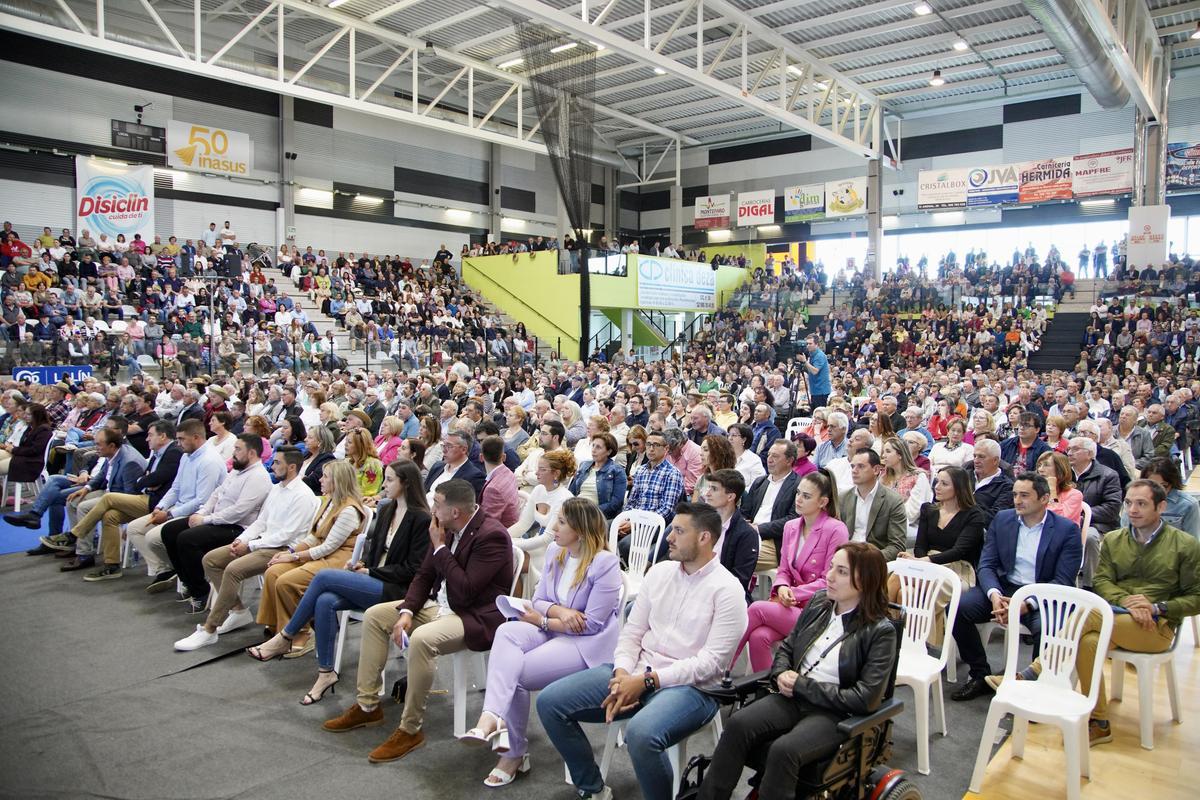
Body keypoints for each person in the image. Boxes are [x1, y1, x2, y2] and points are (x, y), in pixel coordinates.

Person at [536, 502, 748, 800]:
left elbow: (710, 665)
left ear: (704, 538)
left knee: (641, 733)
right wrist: (623, 673)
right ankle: (593, 788)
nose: (669, 538)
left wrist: (647, 682)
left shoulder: (728, 590)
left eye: (678, 531)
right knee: (549, 702)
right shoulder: (660, 573)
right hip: (635, 670)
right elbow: (631, 633)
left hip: (692, 689)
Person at [321, 479, 512, 764]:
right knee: (376, 616)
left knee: (422, 640)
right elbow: (423, 576)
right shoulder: (444, 527)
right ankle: (367, 704)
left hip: (473, 614)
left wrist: (440, 548)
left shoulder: (491, 535)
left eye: (437, 503)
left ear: (455, 512)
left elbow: (466, 589)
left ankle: (410, 729)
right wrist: (408, 611)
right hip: (440, 604)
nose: (432, 507)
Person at [999, 479, 1200, 745]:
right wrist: (1129, 602)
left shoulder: (1184, 545)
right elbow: (1103, 583)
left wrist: (1156, 607)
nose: (1133, 510)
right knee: (1088, 640)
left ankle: (1034, 670)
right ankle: (1100, 720)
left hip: (1156, 626)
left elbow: (1195, 597)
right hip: (1118, 616)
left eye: (1141, 504)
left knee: (1089, 614)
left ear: (1161, 506)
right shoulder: (1116, 539)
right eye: (1129, 503)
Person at [697, 543, 898, 800]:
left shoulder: (880, 631)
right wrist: (780, 673)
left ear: (866, 580)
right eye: (832, 567)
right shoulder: (819, 603)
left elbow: (865, 697)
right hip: (793, 697)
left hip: (833, 712)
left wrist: (802, 685)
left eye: (842, 571)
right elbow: (787, 649)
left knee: (784, 750)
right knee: (738, 724)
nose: (830, 576)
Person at [459, 497, 622, 787]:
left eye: (561, 522)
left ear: (581, 531)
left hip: (586, 644)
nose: (552, 527)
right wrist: (560, 613)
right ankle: (491, 715)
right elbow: (540, 600)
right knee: (506, 632)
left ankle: (513, 753)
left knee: (516, 674)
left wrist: (544, 621)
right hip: (554, 627)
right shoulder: (555, 552)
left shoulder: (605, 563)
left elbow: (591, 625)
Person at [247, 461, 431, 703]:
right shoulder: (387, 510)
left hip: (397, 589)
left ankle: (286, 636)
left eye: (389, 480)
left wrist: (370, 572)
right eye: (385, 478)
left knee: (323, 577)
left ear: (406, 483)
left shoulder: (421, 518)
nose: (383, 485)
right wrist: (361, 565)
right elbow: (373, 551)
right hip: (375, 577)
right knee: (324, 600)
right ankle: (326, 673)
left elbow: (413, 570)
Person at [949, 472, 1082, 701]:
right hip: (1004, 588)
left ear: (1044, 499)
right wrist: (994, 594)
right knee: (957, 609)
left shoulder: (1066, 530)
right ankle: (980, 674)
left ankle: (1036, 688)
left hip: (1041, 594)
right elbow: (987, 563)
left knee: (1049, 628)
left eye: (1024, 495)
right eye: (1014, 495)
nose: (1017, 500)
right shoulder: (1003, 519)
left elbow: (1063, 580)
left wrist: (1027, 604)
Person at [173, 447, 321, 650]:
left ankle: (209, 629)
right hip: (262, 541)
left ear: (292, 467)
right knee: (211, 560)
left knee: (233, 570)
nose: (273, 466)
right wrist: (242, 540)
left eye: (277, 463)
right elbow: (261, 522)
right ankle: (238, 610)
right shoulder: (277, 488)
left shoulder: (303, 495)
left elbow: (286, 534)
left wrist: (250, 544)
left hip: (283, 549)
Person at [734, 470, 849, 671]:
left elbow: (829, 580)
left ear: (823, 502)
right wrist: (782, 587)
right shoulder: (791, 526)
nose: (798, 499)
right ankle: (766, 691)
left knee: (755, 608)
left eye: (806, 496)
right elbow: (784, 569)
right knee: (759, 636)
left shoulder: (836, 529)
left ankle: (722, 667)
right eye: (798, 493)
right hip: (788, 604)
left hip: (818, 611)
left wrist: (792, 593)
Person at [257, 460, 368, 655]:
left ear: (338, 481)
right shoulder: (329, 501)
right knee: (273, 572)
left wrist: (294, 558)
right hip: (320, 554)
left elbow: (328, 547)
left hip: (337, 559)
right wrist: (290, 552)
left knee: (287, 581)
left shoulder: (349, 510)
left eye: (326, 477)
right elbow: (313, 536)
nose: (320, 480)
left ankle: (303, 633)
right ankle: (278, 628)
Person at [158, 434, 273, 611]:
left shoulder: (258, 477)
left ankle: (201, 591)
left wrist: (205, 520)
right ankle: (190, 582)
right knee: (170, 531)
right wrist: (201, 513)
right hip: (218, 520)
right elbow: (217, 494)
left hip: (238, 529)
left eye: (237, 449)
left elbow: (238, 512)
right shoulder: (236, 471)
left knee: (187, 539)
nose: (233, 453)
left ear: (251, 453)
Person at [111, 418, 227, 589]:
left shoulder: (209, 460)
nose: (178, 443)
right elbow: (176, 487)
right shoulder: (187, 456)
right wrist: (161, 507)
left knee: (153, 537)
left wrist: (170, 514)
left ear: (196, 438)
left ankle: (185, 572)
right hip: (178, 508)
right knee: (135, 529)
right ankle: (167, 569)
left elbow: (202, 501)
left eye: (181, 439)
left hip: (197, 513)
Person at [65, 421, 183, 582]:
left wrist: (145, 480)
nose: (147, 439)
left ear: (162, 436)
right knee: (110, 516)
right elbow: (148, 477)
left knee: (108, 497)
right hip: (148, 496)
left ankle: (75, 534)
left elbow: (156, 478)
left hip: (157, 502)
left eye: (150, 435)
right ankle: (112, 565)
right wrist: (146, 480)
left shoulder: (173, 452)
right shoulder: (158, 453)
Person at [618, 429, 685, 562]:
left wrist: (636, 523)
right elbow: (632, 501)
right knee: (604, 529)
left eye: (656, 445)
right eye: (648, 444)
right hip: (635, 519)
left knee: (626, 544)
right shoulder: (641, 470)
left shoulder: (672, 473)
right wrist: (625, 518)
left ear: (666, 449)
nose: (651, 449)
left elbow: (666, 510)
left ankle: (635, 574)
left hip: (656, 524)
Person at [508, 449, 576, 577]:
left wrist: (511, 543)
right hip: (538, 544)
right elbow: (523, 524)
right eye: (538, 468)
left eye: (542, 470)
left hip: (555, 550)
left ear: (556, 473)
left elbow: (547, 539)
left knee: (510, 561)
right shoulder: (538, 490)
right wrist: (503, 537)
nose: (536, 473)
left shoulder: (564, 498)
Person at [1067, 436, 1122, 589]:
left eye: (1075, 449)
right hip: (1067, 521)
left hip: (1098, 524)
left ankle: (1090, 586)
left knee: (1089, 536)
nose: (1070, 453)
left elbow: (1112, 507)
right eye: (1068, 449)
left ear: (1090, 454)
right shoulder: (1063, 474)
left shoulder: (1108, 475)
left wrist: (1083, 517)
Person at [700, 468, 760, 602]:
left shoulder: (747, 535)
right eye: (708, 488)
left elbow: (738, 580)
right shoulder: (702, 523)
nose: (707, 493)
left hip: (724, 598)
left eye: (714, 489)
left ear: (730, 496)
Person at [741, 439, 801, 573]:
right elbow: (745, 511)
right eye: (768, 455)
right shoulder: (760, 482)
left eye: (775, 456)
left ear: (789, 460)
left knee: (737, 558)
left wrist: (759, 529)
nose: (769, 459)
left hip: (775, 542)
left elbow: (793, 519)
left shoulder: (798, 485)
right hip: (750, 535)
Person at [839, 450, 906, 561]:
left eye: (860, 466)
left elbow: (897, 546)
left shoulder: (893, 500)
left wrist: (868, 559)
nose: (854, 471)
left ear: (876, 470)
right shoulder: (843, 497)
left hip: (874, 559)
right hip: (846, 556)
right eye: (853, 466)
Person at [1133, 456, 1200, 537]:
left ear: (1172, 483)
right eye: (1152, 485)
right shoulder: (1133, 501)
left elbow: (1193, 541)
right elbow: (1126, 536)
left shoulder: (1188, 505)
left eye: (1163, 486)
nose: (1157, 490)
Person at [569, 432, 627, 519]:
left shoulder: (617, 471)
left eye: (598, 447)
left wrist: (591, 511)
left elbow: (616, 502)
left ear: (609, 451)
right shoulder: (584, 465)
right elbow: (571, 492)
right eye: (593, 445)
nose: (593, 450)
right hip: (576, 511)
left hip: (597, 515)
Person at [425, 429, 486, 502]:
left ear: (463, 450)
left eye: (449, 446)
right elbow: (423, 492)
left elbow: (468, 508)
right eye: (443, 446)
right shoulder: (437, 466)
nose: (444, 450)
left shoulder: (475, 477)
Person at [480, 435, 521, 528]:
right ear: (504, 457)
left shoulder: (493, 489)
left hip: (502, 534)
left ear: (481, 457)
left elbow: (488, 526)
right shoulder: (510, 473)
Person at [1036, 451, 1083, 528]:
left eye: (1046, 465)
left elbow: (1056, 520)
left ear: (1060, 469)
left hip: (1063, 536)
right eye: (1039, 465)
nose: (1040, 469)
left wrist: (1052, 489)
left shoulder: (1075, 495)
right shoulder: (1036, 492)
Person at [971, 438, 1014, 524]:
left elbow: (996, 516)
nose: (976, 461)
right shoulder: (965, 476)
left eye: (981, 457)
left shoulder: (1007, 486)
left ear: (995, 460)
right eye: (974, 456)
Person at [344, 427, 384, 497]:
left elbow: (368, 494)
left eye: (349, 442)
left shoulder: (372, 466)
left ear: (360, 445)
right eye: (346, 441)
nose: (345, 444)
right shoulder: (348, 462)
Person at [798, 334, 831, 409]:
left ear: (817, 344)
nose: (808, 346)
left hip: (821, 390)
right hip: (815, 389)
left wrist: (804, 361)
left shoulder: (819, 355)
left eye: (810, 344)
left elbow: (815, 371)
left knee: (819, 414)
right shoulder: (811, 354)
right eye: (807, 344)